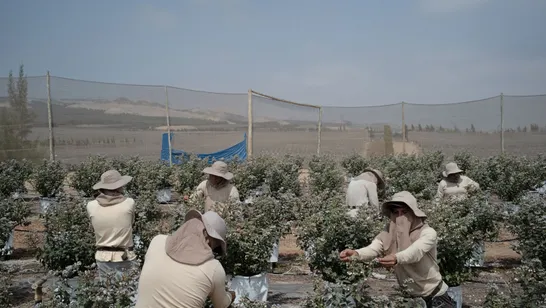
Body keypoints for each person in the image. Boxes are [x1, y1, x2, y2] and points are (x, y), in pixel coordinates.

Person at [339, 191, 456, 308]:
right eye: (396, 212)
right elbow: (373, 248)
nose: (400, 217)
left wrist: (396, 258)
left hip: (435, 296)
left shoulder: (427, 232)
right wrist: (356, 254)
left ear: (413, 213)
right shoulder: (388, 234)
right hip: (409, 298)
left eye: (404, 212)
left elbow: (415, 252)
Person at [135, 209, 236, 308]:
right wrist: (231, 295)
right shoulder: (213, 268)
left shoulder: (157, 242)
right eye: (215, 248)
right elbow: (221, 305)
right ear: (210, 241)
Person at [87, 169, 137, 278]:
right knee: (130, 291)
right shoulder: (129, 203)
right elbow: (131, 223)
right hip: (125, 256)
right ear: (119, 187)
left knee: (107, 291)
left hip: (102, 256)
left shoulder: (91, 206)